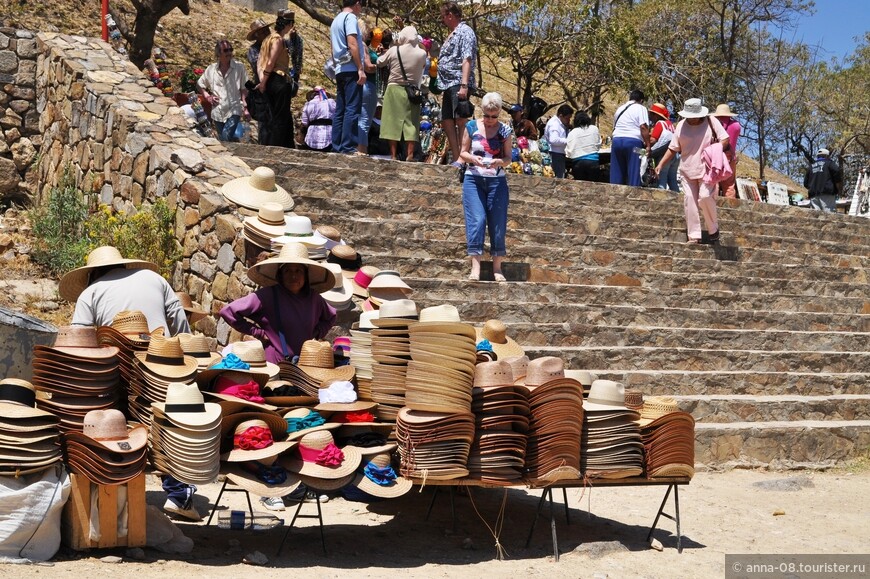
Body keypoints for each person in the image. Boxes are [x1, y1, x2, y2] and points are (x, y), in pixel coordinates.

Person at [59, 246, 200, 521]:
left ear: (91, 274)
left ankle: (115, 490)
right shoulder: (154, 279)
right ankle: (179, 496)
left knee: (115, 424)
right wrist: (186, 359)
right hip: (162, 363)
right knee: (166, 424)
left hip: (117, 367)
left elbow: (80, 342)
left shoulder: (91, 293)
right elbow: (180, 321)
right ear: (124, 266)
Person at [219, 242, 337, 366]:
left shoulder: (314, 298)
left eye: (298, 271)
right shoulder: (268, 295)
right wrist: (258, 333)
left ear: (305, 275)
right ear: (280, 274)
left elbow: (331, 316)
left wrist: (317, 332)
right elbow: (228, 312)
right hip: (274, 363)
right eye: (288, 271)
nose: (293, 275)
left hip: (305, 364)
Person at [655, 98, 729, 244]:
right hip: (687, 169)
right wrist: (661, 164)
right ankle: (694, 235)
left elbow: (725, 139)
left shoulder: (711, 122)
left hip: (707, 169)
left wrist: (715, 149)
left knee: (705, 197)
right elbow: (673, 147)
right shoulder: (681, 125)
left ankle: (713, 229)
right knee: (690, 201)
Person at [458, 92, 512, 282]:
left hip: (497, 181)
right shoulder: (471, 126)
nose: (490, 120)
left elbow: (508, 158)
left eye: (494, 116)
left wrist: (499, 161)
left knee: (497, 224)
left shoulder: (505, 131)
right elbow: (462, 152)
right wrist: (473, 158)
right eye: (487, 115)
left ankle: (497, 268)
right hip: (474, 178)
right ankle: (476, 267)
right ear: (482, 111)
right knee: (477, 220)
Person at [437, 1, 478, 167]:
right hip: (447, 84)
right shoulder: (452, 33)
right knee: (447, 120)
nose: (443, 20)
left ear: (450, 15)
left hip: (458, 81)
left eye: (443, 17)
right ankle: (456, 156)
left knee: (461, 119)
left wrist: (464, 85)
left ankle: (463, 157)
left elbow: (467, 58)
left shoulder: (465, 31)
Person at [377, 25, 427, 160]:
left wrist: (385, 51)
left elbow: (379, 62)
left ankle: (393, 155)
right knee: (411, 123)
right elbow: (422, 63)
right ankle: (410, 154)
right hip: (412, 91)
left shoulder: (394, 51)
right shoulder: (422, 54)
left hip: (394, 89)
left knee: (391, 122)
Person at [330, 0, 366, 154]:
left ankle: (337, 145)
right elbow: (352, 43)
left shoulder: (336, 20)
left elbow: (333, 48)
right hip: (351, 68)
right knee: (352, 107)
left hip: (340, 68)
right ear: (356, 3)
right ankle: (348, 146)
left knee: (341, 109)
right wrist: (360, 68)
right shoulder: (350, 18)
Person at [197, 39, 249, 142]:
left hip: (234, 108)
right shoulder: (211, 69)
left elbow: (244, 88)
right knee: (224, 140)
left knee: (225, 137)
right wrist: (208, 96)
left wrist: (245, 107)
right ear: (218, 53)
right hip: (217, 111)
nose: (229, 53)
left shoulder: (239, 67)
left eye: (230, 49)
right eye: (226, 50)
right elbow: (199, 84)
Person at [256, 12, 294, 148]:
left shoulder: (267, 39)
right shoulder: (278, 40)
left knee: (278, 116)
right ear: (289, 24)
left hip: (268, 79)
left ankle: (284, 145)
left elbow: (260, 62)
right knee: (280, 118)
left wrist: (262, 80)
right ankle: (277, 147)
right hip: (278, 79)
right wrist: (264, 82)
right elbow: (271, 62)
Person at [610, 89, 650, 187]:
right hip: (634, 144)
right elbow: (643, 127)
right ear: (641, 100)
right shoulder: (641, 108)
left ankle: (614, 194)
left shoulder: (619, 109)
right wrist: (648, 145)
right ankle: (634, 196)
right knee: (634, 171)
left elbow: (614, 127)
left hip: (616, 141)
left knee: (616, 171)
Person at [357, 18, 378, 154]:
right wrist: (381, 65)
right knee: (365, 119)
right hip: (368, 84)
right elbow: (368, 67)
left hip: (357, 84)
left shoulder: (352, 44)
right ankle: (362, 150)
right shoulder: (362, 45)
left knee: (358, 117)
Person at [648, 102, 679, 191]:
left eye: (652, 114)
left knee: (661, 179)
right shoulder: (670, 125)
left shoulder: (660, 124)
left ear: (656, 115)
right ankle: (678, 201)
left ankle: (661, 201)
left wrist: (646, 144)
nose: (650, 116)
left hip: (664, 155)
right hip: (675, 155)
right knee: (672, 180)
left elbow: (653, 140)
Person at [714, 104, 741, 198]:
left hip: (715, 156)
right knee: (729, 185)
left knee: (714, 182)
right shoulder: (736, 126)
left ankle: (713, 206)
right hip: (730, 157)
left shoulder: (714, 124)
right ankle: (730, 209)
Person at [804, 148, 843, 212]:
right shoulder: (829, 163)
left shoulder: (811, 166)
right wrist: (837, 186)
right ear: (827, 156)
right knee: (829, 214)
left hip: (813, 195)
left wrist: (812, 188)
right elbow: (837, 171)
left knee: (815, 216)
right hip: (827, 193)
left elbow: (806, 183)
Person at [565, 110, 600, 182]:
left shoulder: (573, 132)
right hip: (593, 162)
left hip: (578, 163)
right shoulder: (594, 129)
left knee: (580, 187)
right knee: (593, 187)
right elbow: (598, 144)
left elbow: (569, 150)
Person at [300, 87, 336, 152]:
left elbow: (304, 123)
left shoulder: (308, 104)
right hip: (329, 140)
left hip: (310, 142)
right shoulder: (331, 102)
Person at [544, 104, 573, 178]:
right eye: (567, 118)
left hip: (558, 154)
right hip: (555, 155)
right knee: (558, 179)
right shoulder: (555, 124)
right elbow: (554, 140)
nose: (569, 120)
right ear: (561, 116)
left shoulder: (560, 124)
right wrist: (568, 141)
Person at [245, 18, 271, 85]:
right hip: (263, 85)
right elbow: (258, 66)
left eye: (267, 30)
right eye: (263, 32)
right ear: (257, 35)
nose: (267, 33)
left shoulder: (275, 45)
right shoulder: (253, 50)